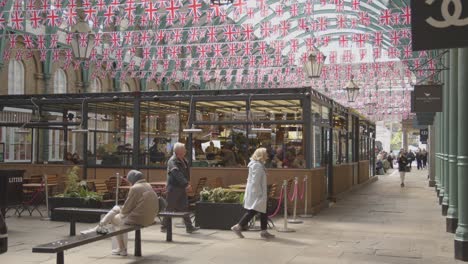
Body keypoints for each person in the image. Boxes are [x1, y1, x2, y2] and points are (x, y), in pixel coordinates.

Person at [81, 170, 159, 256]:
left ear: (132, 179)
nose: (128, 182)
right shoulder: (148, 185)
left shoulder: (135, 188)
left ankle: (121, 248)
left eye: (129, 180)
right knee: (117, 212)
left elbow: (126, 209)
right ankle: (100, 226)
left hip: (139, 219)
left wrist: (119, 210)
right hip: (150, 218)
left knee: (114, 219)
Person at [231, 148, 275, 239]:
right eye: (265, 154)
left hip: (257, 191)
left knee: (263, 210)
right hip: (257, 192)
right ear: (261, 155)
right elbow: (255, 181)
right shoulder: (257, 166)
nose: (267, 155)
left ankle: (264, 231)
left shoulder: (258, 165)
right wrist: (259, 193)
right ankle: (238, 226)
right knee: (253, 210)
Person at [161, 142, 199, 233]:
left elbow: (185, 173)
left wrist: (186, 183)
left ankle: (189, 227)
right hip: (173, 188)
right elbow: (176, 174)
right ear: (179, 151)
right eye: (184, 149)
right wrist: (186, 184)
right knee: (169, 207)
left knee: (184, 207)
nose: (186, 150)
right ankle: (164, 226)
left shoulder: (183, 160)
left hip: (181, 188)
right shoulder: (172, 161)